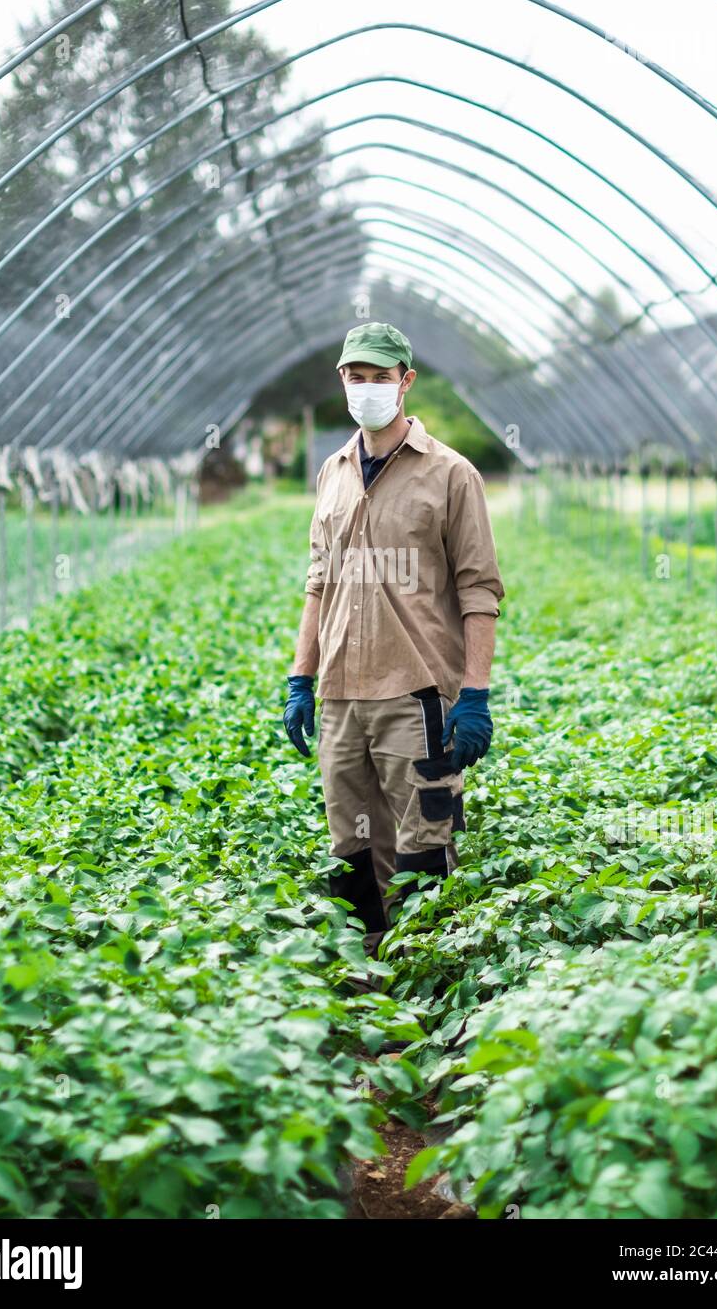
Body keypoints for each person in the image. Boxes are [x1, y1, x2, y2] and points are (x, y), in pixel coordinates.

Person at [283, 321, 505, 958]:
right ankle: (364, 979)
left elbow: (479, 589)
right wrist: (303, 677)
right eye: (357, 375)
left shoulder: (451, 475)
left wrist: (475, 694)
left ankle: (426, 987)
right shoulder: (333, 471)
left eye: (382, 376)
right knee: (351, 847)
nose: (368, 387)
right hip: (341, 697)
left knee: (423, 844)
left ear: (405, 382)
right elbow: (318, 582)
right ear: (343, 381)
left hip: (418, 695)